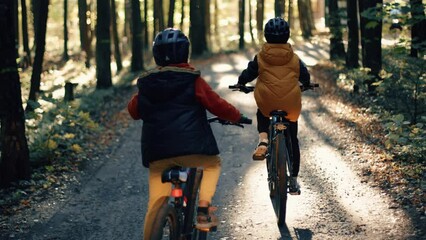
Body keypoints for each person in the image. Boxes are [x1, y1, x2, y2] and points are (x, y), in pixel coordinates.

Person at [127, 28, 248, 239]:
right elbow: (217, 105)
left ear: (157, 55)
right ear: (185, 53)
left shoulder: (147, 84)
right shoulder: (192, 80)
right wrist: (237, 117)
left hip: (158, 154)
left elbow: (133, 111)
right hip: (194, 149)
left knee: (155, 205)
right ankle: (202, 210)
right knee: (213, 164)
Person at [235, 17, 310, 194]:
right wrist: (306, 85)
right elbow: (305, 77)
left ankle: (263, 140)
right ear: (287, 36)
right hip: (290, 105)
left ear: (266, 36)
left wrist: (240, 83)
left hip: (267, 103)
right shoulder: (295, 59)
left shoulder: (260, 57)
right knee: (293, 138)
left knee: (262, 113)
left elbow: (248, 74)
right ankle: (293, 180)